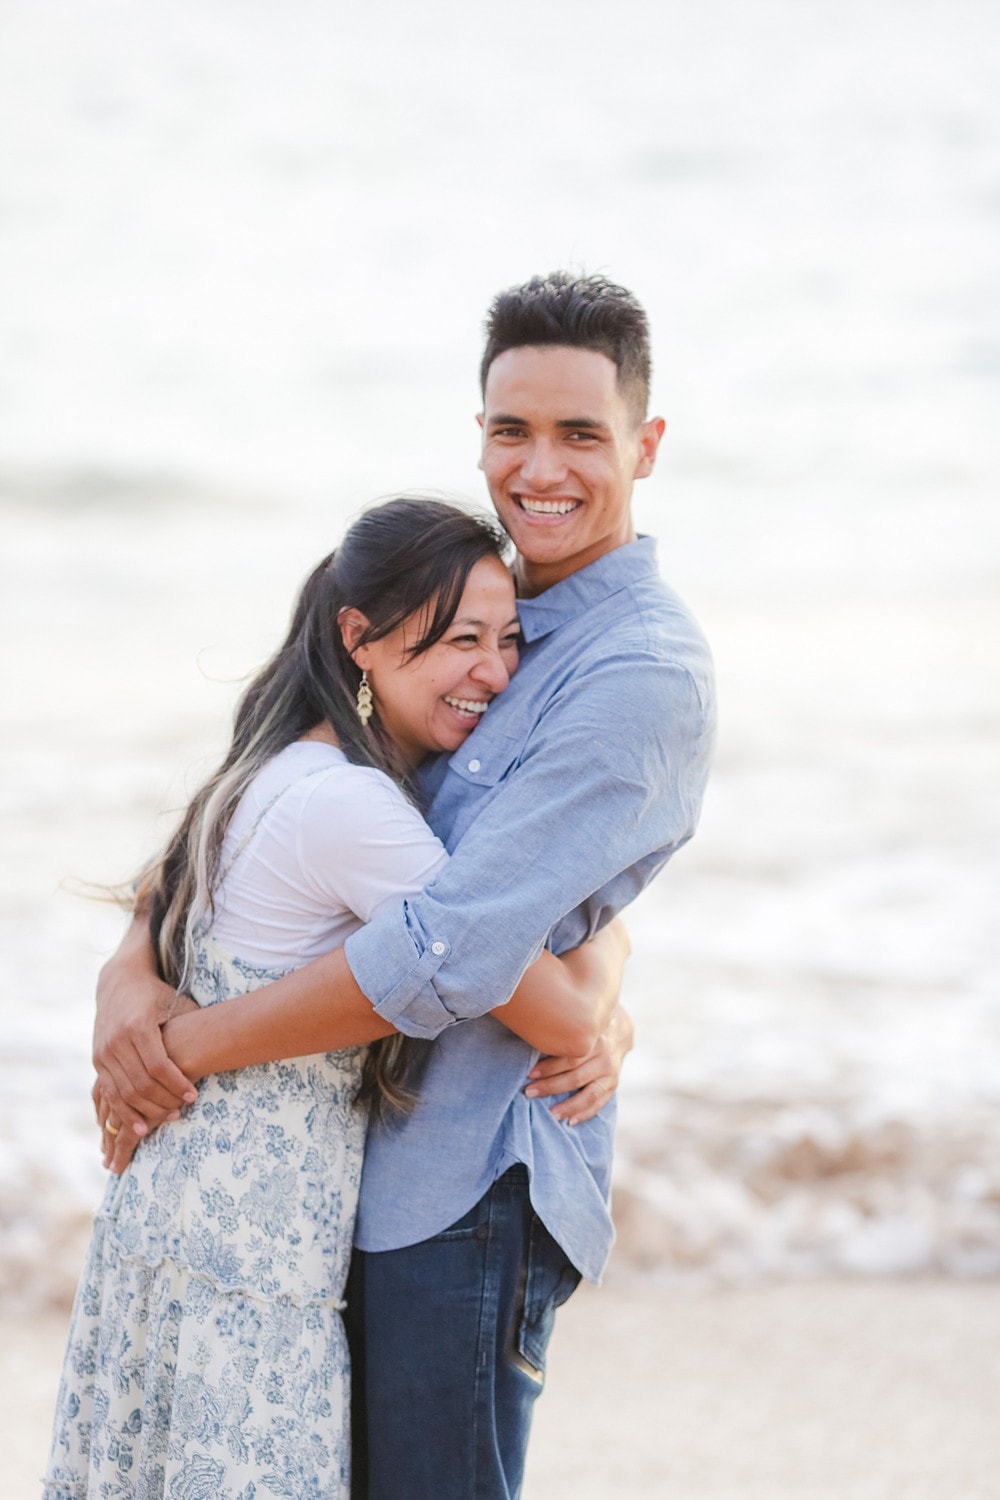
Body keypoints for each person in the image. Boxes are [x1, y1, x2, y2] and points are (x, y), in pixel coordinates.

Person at [93, 271, 717, 1500]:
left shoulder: (636, 670)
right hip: (351, 1183)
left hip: (467, 1189)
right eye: (510, 430)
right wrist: (132, 974)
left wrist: (183, 1048)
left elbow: (450, 942)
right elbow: (278, 793)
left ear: (644, 446)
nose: (540, 467)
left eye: (581, 434)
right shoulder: (482, 614)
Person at [45, 498, 630, 1500]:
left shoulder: (280, 765)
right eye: (458, 640)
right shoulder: (355, 811)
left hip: (183, 1222)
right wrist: (611, 977)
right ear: (359, 638)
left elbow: (160, 884)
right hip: (250, 1252)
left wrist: (126, 971)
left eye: (506, 640)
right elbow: (556, 1015)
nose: (493, 672)